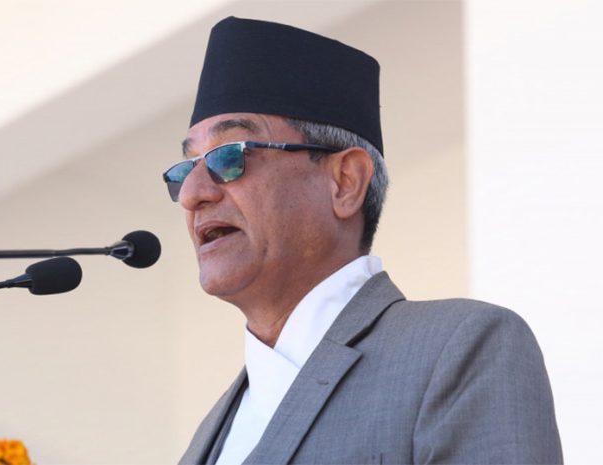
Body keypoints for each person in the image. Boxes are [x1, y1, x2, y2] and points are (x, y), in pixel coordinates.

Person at [163, 16, 562, 465]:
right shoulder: (208, 437)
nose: (193, 194)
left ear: (345, 182)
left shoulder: (457, 348)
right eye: (186, 169)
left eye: (228, 156)